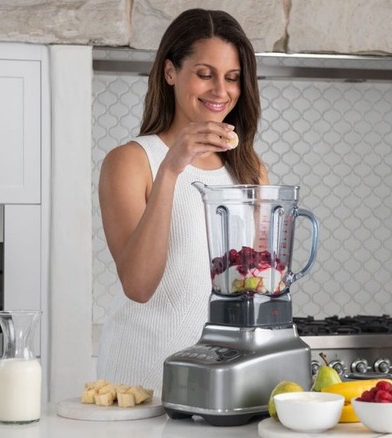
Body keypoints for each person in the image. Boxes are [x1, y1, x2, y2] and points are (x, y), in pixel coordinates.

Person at [96, 8, 268, 394]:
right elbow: (138, 286)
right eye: (204, 74)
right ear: (170, 72)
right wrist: (172, 170)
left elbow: (255, 286)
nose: (220, 91)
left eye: (233, 78)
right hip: (143, 378)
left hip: (226, 376)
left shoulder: (249, 169)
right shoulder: (131, 161)